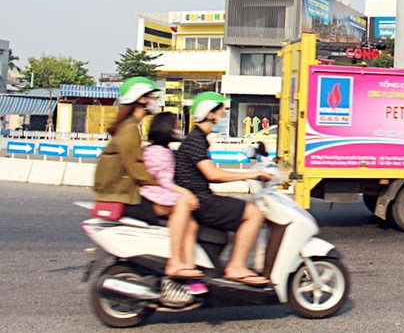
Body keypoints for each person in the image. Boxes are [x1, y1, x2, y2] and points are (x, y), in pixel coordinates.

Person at [174, 92, 272, 286]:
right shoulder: (196, 140)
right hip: (199, 201)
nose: (224, 115)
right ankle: (236, 266)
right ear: (209, 114)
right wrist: (251, 175)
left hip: (200, 198)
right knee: (253, 213)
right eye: (221, 111)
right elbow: (213, 174)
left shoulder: (200, 139)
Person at [141, 112, 203, 279]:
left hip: (161, 192)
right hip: (152, 195)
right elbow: (164, 182)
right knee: (183, 203)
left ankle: (188, 265)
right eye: (174, 126)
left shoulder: (165, 150)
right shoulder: (156, 152)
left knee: (191, 225)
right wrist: (187, 193)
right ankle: (174, 261)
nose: (177, 130)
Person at [94, 77, 162, 226]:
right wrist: (159, 183)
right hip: (121, 195)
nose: (154, 101)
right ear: (141, 99)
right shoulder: (130, 129)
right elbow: (134, 166)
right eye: (151, 97)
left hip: (119, 192)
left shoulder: (129, 126)